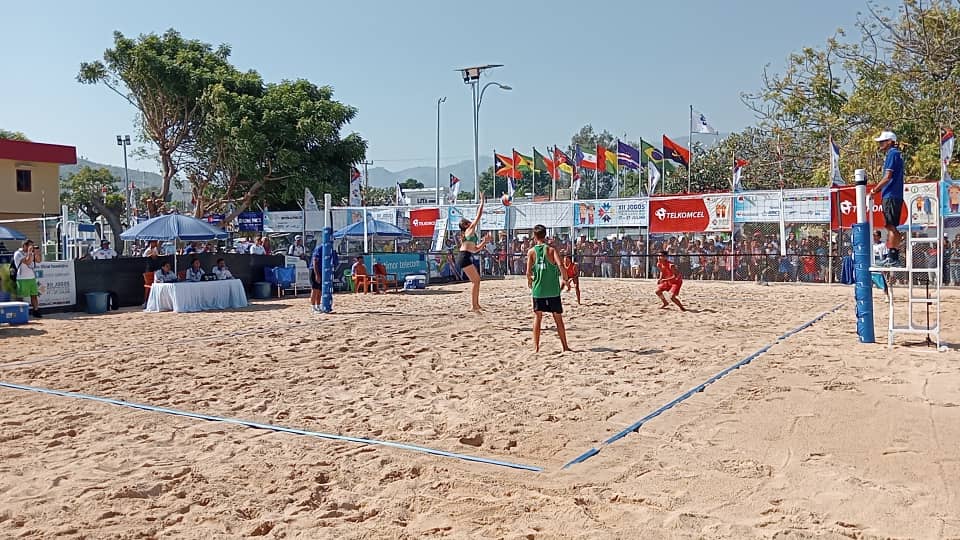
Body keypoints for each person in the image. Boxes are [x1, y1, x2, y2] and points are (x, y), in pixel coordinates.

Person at [526, 225, 571, 352]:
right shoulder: (551, 250)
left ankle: (536, 347)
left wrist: (529, 281)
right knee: (558, 319)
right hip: (553, 290)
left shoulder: (531, 252)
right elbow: (560, 265)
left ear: (534, 236)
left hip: (538, 290)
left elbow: (528, 272)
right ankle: (565, 347)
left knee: (537, 318)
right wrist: (565, 279)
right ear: (545, 235)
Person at [871, 131, 905, 265]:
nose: (880, 144)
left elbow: (887, 177)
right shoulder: (897, 154)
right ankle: (893, 256)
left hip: (890, 195)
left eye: (882, 141)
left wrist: (874, 190)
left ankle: (892, 256)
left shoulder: (892, 154)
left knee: (890, 226)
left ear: (890, 142)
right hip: (894, 195)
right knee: (891, 226)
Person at [456, 194, 492, 312]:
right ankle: (473, 306)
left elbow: (475, 249)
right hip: (464, 257)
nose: (471, 222)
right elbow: (479, 215)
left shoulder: (469, 234)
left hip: (465, 256)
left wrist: (484, 242)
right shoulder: (469, 230)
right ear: (465, 225)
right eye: (468, 221)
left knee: (476, 281)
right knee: (476, 281)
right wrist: (482, 201)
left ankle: (476, 304)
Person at [12, 240, 42, 318]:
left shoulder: (31, 253)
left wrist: (36, 253)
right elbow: (28, 262)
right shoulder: (18, 253)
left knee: (34, 295)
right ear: (24, 246)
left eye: (32, 246)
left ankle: (36, 311)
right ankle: (19, 312)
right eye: (30, 245)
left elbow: (39, 261)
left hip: (31, 277)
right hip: (22, 278)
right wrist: (29, 253)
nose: (31, 247)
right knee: (20, 296)